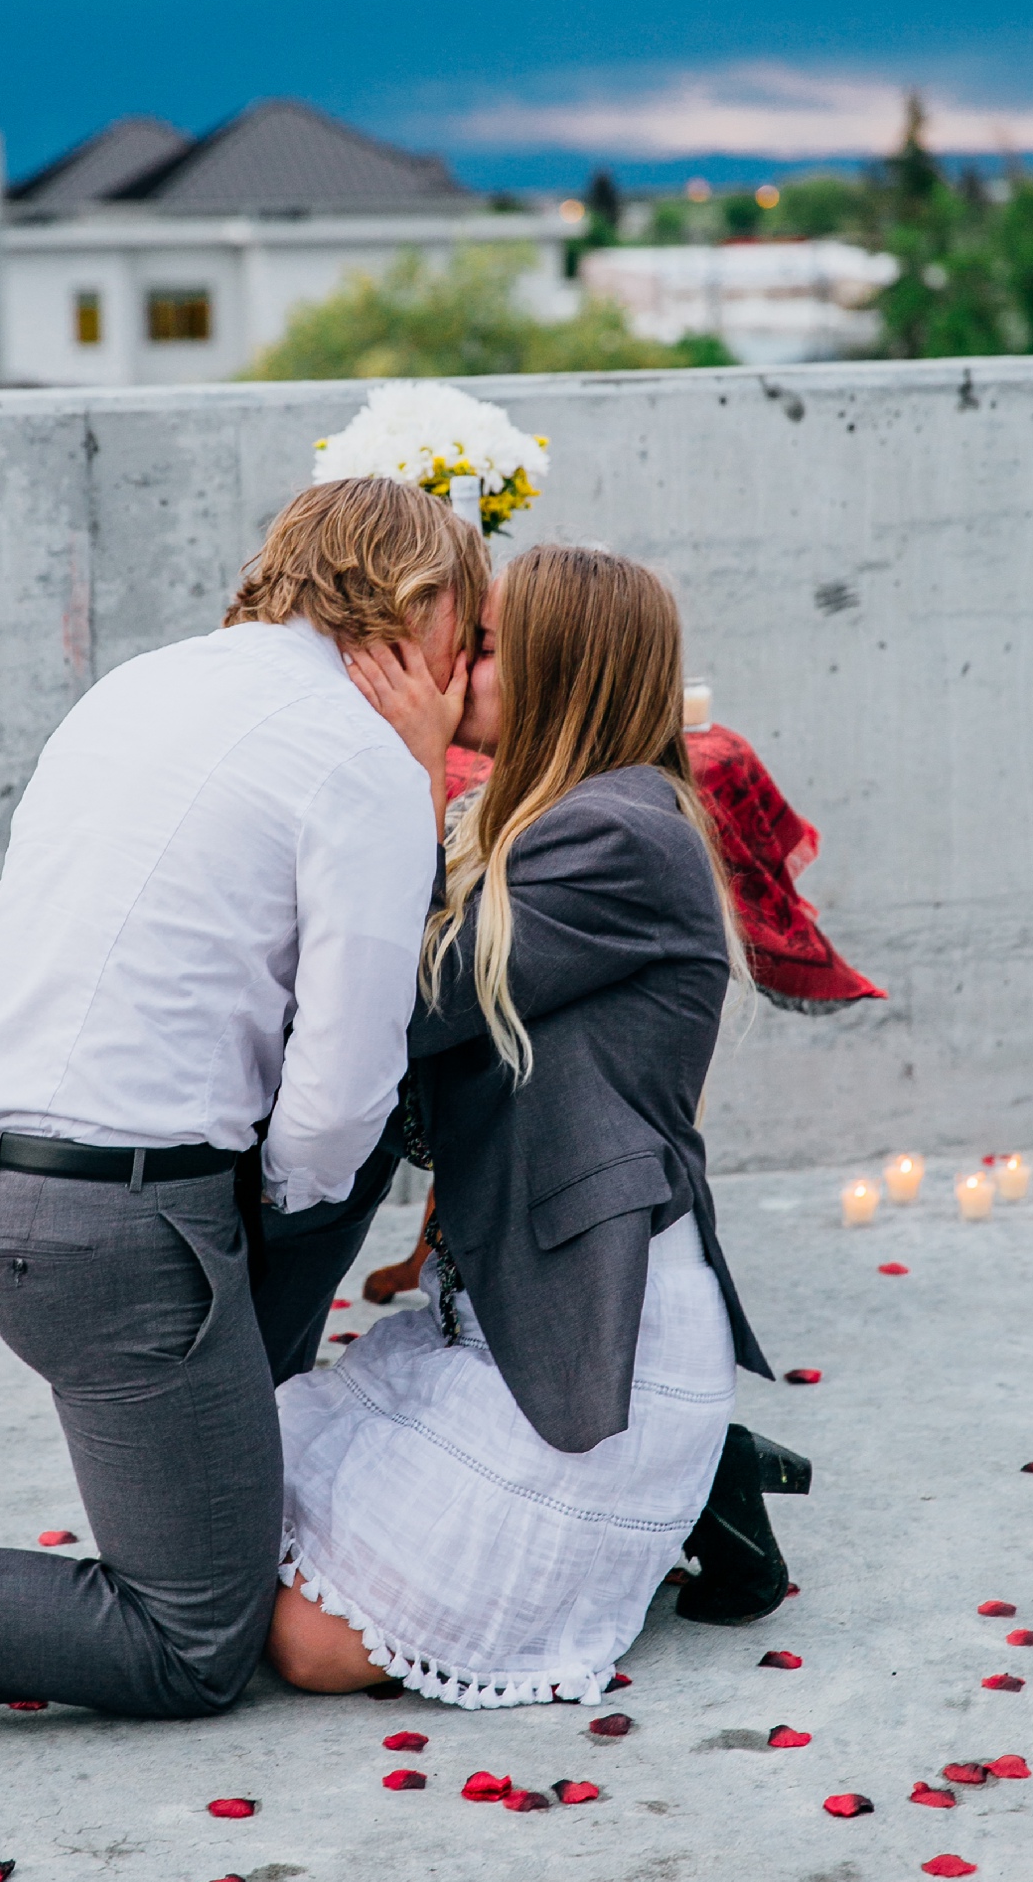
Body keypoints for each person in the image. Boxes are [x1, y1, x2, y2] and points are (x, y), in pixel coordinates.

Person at [0, 476, 487, 1743]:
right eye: (471, 616)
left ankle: (231, 1443)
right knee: (194, 1638)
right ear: (415, 604)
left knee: (299, 1166)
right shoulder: (364, 763)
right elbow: (342, 1093)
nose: (472, 651)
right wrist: (269, 1220)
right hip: (107, 1230)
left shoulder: (144, 681)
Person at [264, 544, 790, 1707]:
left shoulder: (618, 834)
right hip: (500, 1311)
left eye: (485, 646)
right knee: (239, 1517)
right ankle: (711, 1492)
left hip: (596, 1337)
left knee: (314, 1646)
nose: (452, 665)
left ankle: (677, 1504)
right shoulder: (524, 818)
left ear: (564, 668)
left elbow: (411, 999)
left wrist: (404, 764)